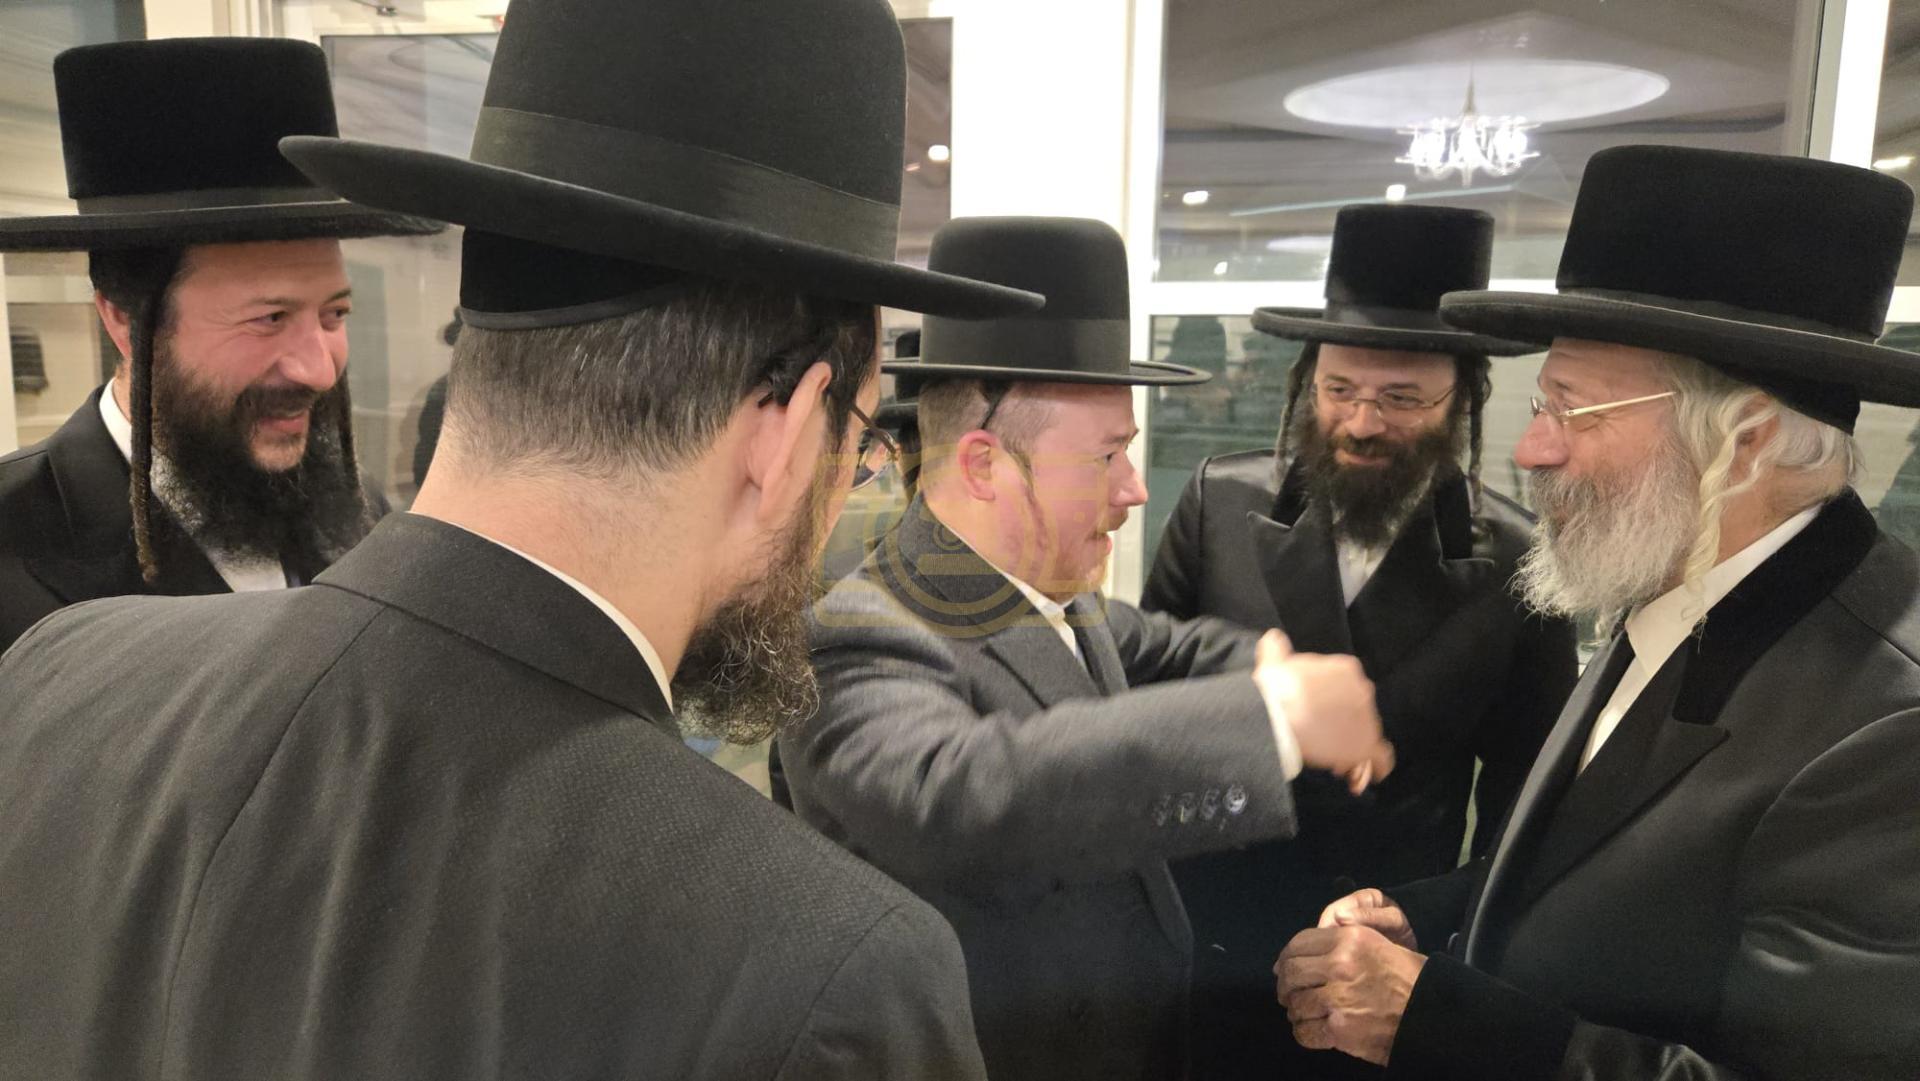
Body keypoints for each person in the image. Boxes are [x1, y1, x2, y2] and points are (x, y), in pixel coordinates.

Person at [0, 1, 1043, 1077]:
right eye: (860, 441)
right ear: (786, 429)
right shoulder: (829, 980)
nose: (311, 361)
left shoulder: (59, 674)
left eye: (333, 316)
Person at [1275, 145, 1920, 1081]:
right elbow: (1601, 873)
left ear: (1746, 441)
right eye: (1542, 404)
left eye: (1572, 412)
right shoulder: (1679, 576)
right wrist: (1433, 914)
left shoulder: (1891, 723)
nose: (1531, 451)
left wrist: (1440, 1020)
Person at [781, 215, 1395, 1081]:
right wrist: (1276, 718)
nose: (1135, 489)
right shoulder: (861, 626)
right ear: (985, 464)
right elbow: (957, 796)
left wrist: (1277, 666)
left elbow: (1176, 647)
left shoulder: (1058, 598)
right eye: (1107, 457)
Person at [1141, 204, 1577, 1079]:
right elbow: (1142, 718)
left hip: (1375, 976)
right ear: (1307, 380)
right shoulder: (1218, 504)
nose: (1362, 421)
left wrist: (1429, 932)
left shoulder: (1521, 562)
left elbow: (1527, 820)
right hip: (1201, 951)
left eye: (1401, 398)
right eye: (1338, 390)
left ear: (1463, 400)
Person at [0, 38, 440, 652]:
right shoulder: (15, 547)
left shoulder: (357, 510)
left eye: (334, 314)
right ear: (126, 322)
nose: (318, 370)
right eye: (269, 318)